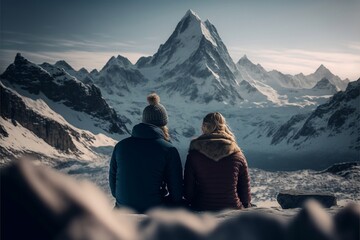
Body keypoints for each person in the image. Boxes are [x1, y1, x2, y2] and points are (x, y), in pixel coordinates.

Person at [109, 93, 183, 213]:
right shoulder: (169, 150)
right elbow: (177, 194)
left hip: (122, 209)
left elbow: (114, 189)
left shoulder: (120, 146)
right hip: (154, 210)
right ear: (163, 124)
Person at [184, 112, 251, 211]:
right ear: (223, 127)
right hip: (233, 210)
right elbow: (246, 196)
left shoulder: (194, 155)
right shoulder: (237, 155)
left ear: (204, 127)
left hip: (202, 209)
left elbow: (188, 193)